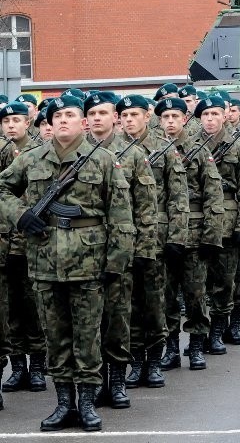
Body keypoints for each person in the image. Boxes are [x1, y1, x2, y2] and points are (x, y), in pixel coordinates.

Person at [0, 94, 135, 432]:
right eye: (56, 115)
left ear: (83, 122)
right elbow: (2, 188)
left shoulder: (103, 160)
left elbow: (121, 217)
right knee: (55, 336)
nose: (62, 120)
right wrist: (21, 216)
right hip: (45, 260)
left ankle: (87, 404)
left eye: (70, 115)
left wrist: (115, 264)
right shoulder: (31, 159)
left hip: (89, 261)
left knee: (87, 336)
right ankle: (63, 404)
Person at [84, 91, 158, 408]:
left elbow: (146, 207)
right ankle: (96, 383)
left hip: (120, 251)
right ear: (85, 120)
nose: (98, 118)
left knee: (117, 320)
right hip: (83, 252)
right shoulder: (76, 153)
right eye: (92, 114)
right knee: (88, 323)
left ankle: (117, 383)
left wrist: (142, 250)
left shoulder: (131, 154)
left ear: (114, 117)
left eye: (104, 113)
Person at [116, 95, 188, 388]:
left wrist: (177, 238)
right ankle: (135, 362)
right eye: (125, 115)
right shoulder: (112, 151)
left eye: (135, 114)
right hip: (122, 239)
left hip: (156, 239)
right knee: (128, 304)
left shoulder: (165, 148)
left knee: (155, 302)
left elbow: (178, 197)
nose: (129, 120)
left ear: (147, 116)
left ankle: (155, 361)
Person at [155, 96, 224, 367]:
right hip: (163, 235)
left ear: (185, 118)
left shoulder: (199, 149)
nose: (170, 122)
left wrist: (211, 236)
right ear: (159, 121)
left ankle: (196, 346)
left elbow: (213, 196)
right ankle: (171, 348)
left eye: (175, 117)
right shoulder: (155, 150)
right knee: (167, 296)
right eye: (165, 117)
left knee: (195, 295)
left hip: (194, 236)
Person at [196, 95, 240, 347]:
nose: (210, 120)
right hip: (200, 221)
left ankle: (225, 328)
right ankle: (204, 330)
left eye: (214, 114)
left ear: (224, 115)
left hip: (230, 222)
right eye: (205, 115)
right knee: (202, 282)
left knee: (229, 279)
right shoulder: (192, 146)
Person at [0, 103, 46, 399]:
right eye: (6, 121)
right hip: (5, 243)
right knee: (10, 307)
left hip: (29, 240)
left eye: (16, 120)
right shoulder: (3, 151)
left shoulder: (39, 152)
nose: (11, 126)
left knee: (33, 305)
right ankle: (18, 366)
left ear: (28, 123)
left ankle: (38, 365)